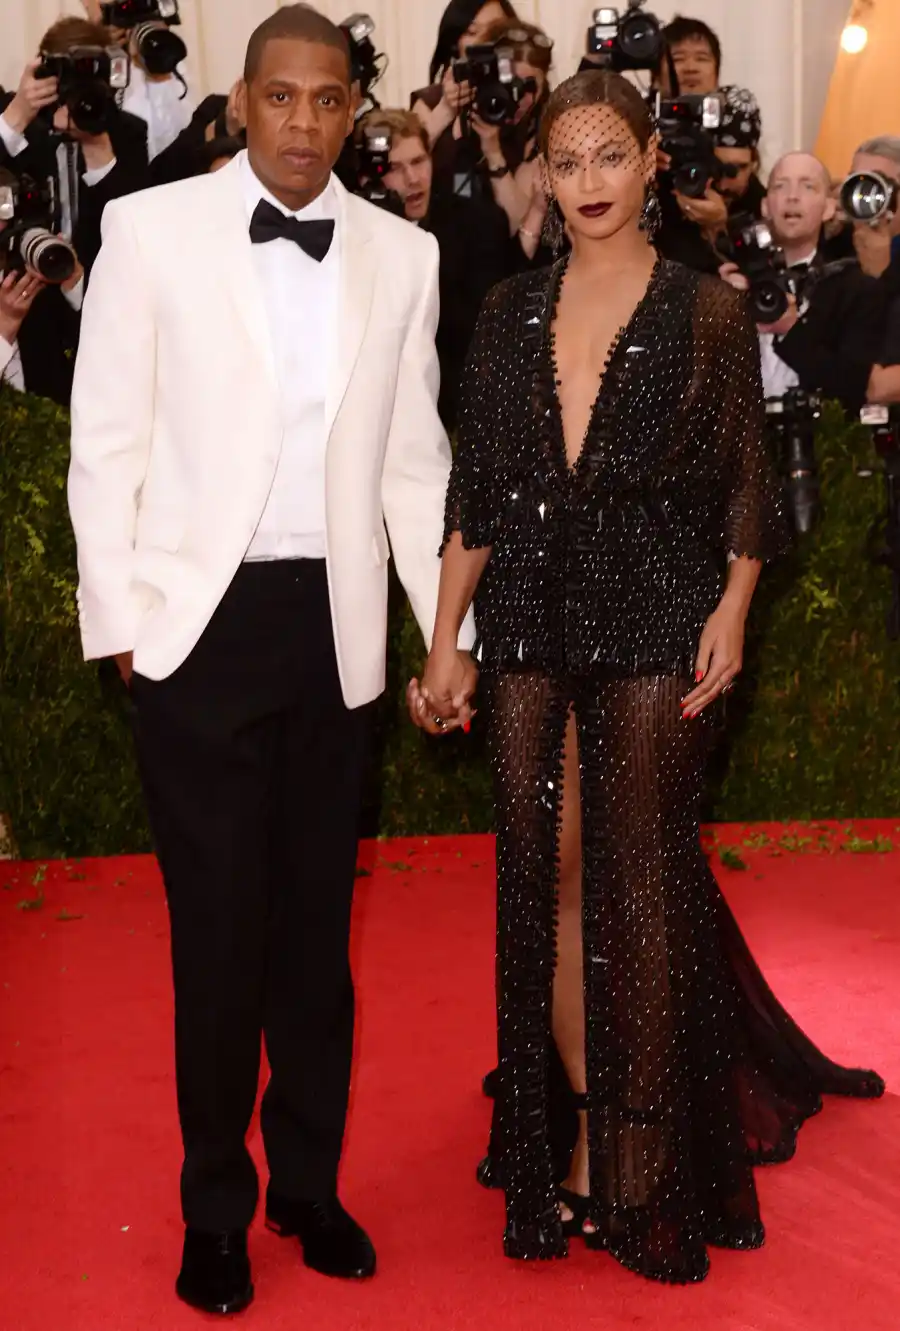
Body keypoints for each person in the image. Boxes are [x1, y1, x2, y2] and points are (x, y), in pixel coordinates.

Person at [409, 69, 884, 1284]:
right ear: (549, 176)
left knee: (639, 873)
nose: (587, 183)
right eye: (565, 162)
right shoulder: (510, 310)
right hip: (526, 618)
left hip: (660, 608)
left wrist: (731, 608)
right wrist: (445, 634)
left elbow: (744, 480)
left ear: (648, 164)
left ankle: (645, 1150)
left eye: (608, 156)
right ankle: (569, 1134)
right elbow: (477, 496)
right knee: (547, 875)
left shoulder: (704, 313)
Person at [68, 3, 476, 1316]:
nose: (304, 122)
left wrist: (445, 634)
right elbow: (107, 436)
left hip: (338, 634)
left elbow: (417, 467)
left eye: (328, 100)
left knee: (314, 940)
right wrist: (122, 620)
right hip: (194, 633)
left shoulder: (403, 255)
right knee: (218, 938)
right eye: (281, 97)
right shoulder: (148, 227)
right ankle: (213, 1205)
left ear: (358, 110)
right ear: (244, 102)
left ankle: (306, 1180)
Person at [362, 107, 510, 430]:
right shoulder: (358, 235)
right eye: (395, 168)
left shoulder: (475, 222)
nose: (413, 179)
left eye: (418, 162)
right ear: (370, 175)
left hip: (461, 405)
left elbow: (481, 331)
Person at [720, 151, 885, 414]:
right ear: (765, 206)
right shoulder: (736, 280)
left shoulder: (856, 288)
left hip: (820, 445)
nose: (792, 196)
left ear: (828, 208)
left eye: (808, 187)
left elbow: (854, 387)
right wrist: (716, 308)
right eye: (780, 186)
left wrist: (791, 331)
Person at [0, 18, 149, 277]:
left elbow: (134, 228)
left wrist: (97, 146)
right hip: (24, 295)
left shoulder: (126, 131)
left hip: (101, 287)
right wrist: (17, 117)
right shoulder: (17, 119)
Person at [411, 0, 519, 147]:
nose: (485, 39)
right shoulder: (430, 101)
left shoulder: (523, 93)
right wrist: (446, 110)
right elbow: (407, 162)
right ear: (455, 43)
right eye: (472, 32)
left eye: (496, 30)